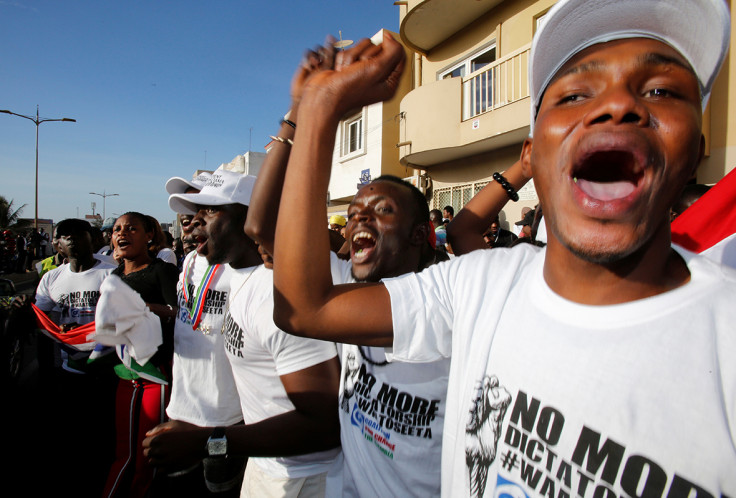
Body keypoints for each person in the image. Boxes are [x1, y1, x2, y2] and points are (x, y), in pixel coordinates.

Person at [271, 1, 735, 496]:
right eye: (575, 94)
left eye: (660, 90)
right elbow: (304, 308)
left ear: (698, 147)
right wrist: (319, 109)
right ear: (536, 151)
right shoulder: (480, 286)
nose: (616, 105)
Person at [145, 169, 341, 496]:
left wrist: (208, 442)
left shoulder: (283, 296)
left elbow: (323, 425)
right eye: (194, 212)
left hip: (303, 477)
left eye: (209, 211)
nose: (194, 221)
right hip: (265, 464)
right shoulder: (239, 273)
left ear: (251, 220)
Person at [32, 218, 119, 496]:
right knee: (74, 435)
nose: (71, 240)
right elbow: (42, 321)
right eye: (64, 235)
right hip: (71, 371)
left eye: (77, 235)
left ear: (92, 239)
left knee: (107, 436)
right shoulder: (52, 278)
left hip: (110, 370)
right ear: (57, 243)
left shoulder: (112, 273)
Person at [101, 212, 179, 498]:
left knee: (149, 455)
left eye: (132, 228)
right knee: (125, 450)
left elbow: (179, 314)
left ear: (149, 236)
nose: (122, 233)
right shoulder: (114, 275)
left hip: (155, 375)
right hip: (124, 375)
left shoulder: (162, 271)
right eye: (117, 229)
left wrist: (142, 306)